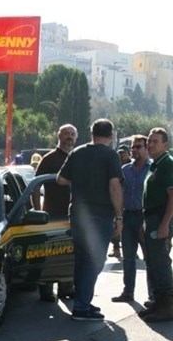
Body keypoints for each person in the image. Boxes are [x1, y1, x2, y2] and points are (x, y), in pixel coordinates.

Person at [57, 119, 123, 321]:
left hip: (77, 213)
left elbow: (60, 179)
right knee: (94, 261)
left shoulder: (78, 153)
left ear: (91, 133)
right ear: (111, 136)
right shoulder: (111, 156)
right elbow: (114, 187)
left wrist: (81, 178)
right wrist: (119, 216)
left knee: (83, 260)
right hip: (100, 215)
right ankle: (81, 307)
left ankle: (82, 300)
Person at [139, 127, 173, 323]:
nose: (150, 144)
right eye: (149, 141)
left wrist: (164, 224)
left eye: (155, 141)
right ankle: (158, 303)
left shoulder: (168, 164)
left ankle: (167, 307)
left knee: (161, 263)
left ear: (165, 145)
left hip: (160, 219)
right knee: (153, 263)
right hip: (151, 218)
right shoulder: (155, 165)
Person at [33, 123, 78, 302]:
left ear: (76, 138)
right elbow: (36, 185)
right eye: (66, 134)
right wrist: (37, 210)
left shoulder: (77, 157)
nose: (69, 137)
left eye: (72, 134)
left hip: (72, 216)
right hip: (51, 216)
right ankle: (46, 289)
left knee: (69, 253)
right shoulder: (49, 159)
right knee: (49, 254)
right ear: (59, 137)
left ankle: (66, 287)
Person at [111, 135, 151, 303]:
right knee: (128, 258)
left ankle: (153, 296)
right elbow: (117, 192)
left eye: (138, 147)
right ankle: (128, 292)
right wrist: (118, 218)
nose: (134, 150)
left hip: (145, 217)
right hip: (127, 217)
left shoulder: (153, 169)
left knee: (149, 258)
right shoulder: (125, 170)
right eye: (133, 147)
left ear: (146, 149)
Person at [108, 145, 132, 260]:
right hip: (117, 201)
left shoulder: (132, 166)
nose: (121, 155)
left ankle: (132, 250)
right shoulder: (115, 166)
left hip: (129, 201)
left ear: (128, 154)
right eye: (120, 153)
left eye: (123, 153)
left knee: (129, 227)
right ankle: (116, 248)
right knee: (116, 225)